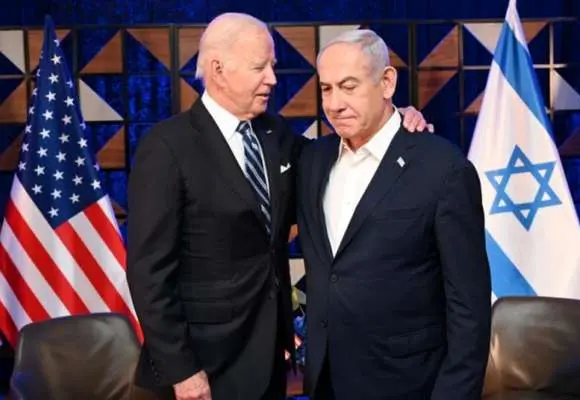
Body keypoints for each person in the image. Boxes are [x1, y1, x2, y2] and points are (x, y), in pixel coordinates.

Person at [126, 13, 431, 400]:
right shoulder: (167, 147)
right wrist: (183, 371)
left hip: (268, 362)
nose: (272, 78)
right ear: (218, 70)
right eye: (260, 67)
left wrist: (394, 119)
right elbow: (149, 273)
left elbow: (337, 157)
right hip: (200, 370)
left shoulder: (275, 133)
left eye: (271, 65)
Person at [296, 29, 492, 400]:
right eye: (326, 89)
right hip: (326, 381)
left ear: (387, 82)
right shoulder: (312, 160)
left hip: (408, 384)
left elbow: (469, 308)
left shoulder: (443, 169)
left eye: (349, 86)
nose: (334, 103)